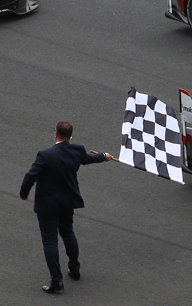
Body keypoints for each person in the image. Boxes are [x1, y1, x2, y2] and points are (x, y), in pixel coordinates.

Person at [19, 120, 113, 293]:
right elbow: (88, 158)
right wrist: (104, 156)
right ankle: (74, 269)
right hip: (67, 202)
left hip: (47, 205)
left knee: (50, 240)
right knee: (68, 233)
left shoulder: (45, 155)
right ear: (70, 136)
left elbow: (30, 176)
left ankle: (56, 280)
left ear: (56, 134)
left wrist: (24, 193)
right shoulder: (77, 151)